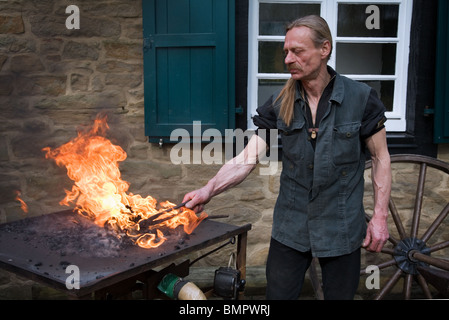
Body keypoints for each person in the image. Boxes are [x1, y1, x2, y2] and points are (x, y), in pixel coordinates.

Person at [183, 15, 391, 300]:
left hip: (342, 226)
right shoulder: (279, 104)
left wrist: (379, 216)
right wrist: (208, 189)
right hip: (291, 228)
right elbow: (246, 158)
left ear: (324, 49)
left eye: (298, 51)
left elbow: (381, 158)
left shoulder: (362, 99)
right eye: (286, 52)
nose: (288, 59)